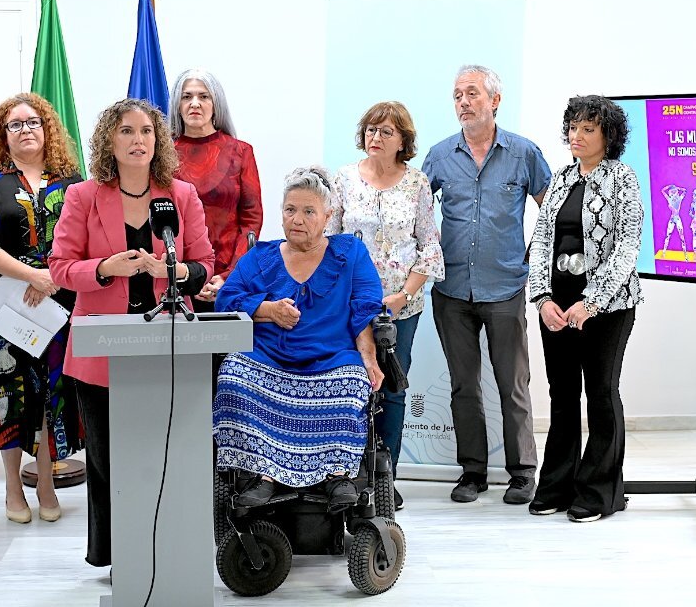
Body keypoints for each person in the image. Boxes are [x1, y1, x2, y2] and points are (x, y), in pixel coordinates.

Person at [50, 98, 214, 567]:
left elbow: (204, 264)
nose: (138, 140)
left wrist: (169, 269)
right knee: (108, 461)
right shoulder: (83, 196)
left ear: (158, 141)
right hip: (102, 351)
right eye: (126, 131)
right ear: (109, 141)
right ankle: (120, 557)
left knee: (165, 455)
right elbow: (60, 268)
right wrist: (105, 268)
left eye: (146, 131)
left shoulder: (181, 195)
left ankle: (171, 552)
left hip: (169, 345)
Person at [213, 166, 385, 507]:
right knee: (232, 376)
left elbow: (365, 306)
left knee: (352, 382)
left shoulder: (349, 253)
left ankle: (337, 475)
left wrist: (369, 356)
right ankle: (263, 474)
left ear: (327, 217)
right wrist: (267, 309)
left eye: (309, 211)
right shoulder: (261, 256)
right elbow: (226, 299)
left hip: (331, 357)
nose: (298, 219)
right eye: (290, 210)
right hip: (269, 357)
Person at [421, 65, 551, 505]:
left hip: (505, 288)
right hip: (452, 290)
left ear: (495, 100)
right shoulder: (440, 156)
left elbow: (552, 212)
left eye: (472, 93)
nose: (463, 101)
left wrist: (532, 259)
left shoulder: (523, 153)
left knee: (513, 384)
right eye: (457, 94)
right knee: (464, 385)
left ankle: (523, 473)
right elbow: (416, 214)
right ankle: (472, 473)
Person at [0, 93, 84, 524]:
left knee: (50, 395)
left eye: (33, 122)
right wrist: (33, 276)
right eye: (15, 125)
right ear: (3, 134)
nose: (25, 130)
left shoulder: (70, 181)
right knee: (10, 397)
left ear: (47, 129)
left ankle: (46, 483)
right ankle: (13, 489)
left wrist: (54, 278)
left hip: (59, 303)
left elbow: (84, 240)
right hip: (4, 306)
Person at [527, 95, 643, 522]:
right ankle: (556, 487)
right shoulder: (561, 178)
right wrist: (542, 299)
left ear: (608, 136)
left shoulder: (623, 178)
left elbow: (627, 246)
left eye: (587, 129)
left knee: (601, 394)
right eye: (573, 127)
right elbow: (541, 241)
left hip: (608, 307)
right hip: (557, 304)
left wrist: (591, 302)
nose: (576, 136)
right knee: (562, 395)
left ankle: (598, 493)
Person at [327, 102, 444, 510]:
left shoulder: (417, 183)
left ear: (402, 141)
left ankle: (384, 478)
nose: (375, 137)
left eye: (386, 131)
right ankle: (348, 475)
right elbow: (330, 242)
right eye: (371, 130)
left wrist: (404, 296)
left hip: (401, 308)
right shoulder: (343, 179)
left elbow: (430, 246)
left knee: (392, 388)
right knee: (351, 385)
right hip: (349, 307)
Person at [169, 68, 263, 308]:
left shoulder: (241, 152)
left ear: (216, 104)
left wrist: (228, 276)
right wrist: (185, 275)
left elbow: (251, 221)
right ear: (177, 104)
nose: (195, 103)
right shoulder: (163, 155)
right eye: (187, 96)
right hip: (175, 279)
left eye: (204, 96)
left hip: (228, 279)